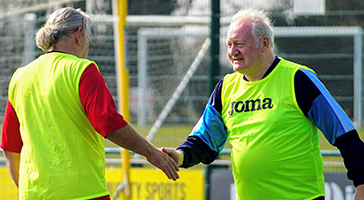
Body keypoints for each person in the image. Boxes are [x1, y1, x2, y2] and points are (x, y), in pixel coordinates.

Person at [162, 8, 364, 200]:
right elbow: (205, 140)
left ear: (265, 43)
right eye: (229, 45)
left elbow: (344, 133)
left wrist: (362, 184)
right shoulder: (225, 88)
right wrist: (180, 156)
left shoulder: (298, 79)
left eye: (239, 44)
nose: (232, 52)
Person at [0, 7, 179, 200]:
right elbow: (108, 123)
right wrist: (152, 153)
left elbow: (10, 147)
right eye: (88, 37)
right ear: (79, 35)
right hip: (83, 194)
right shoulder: (82, 70)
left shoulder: (20, 77)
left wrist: (26, 191)